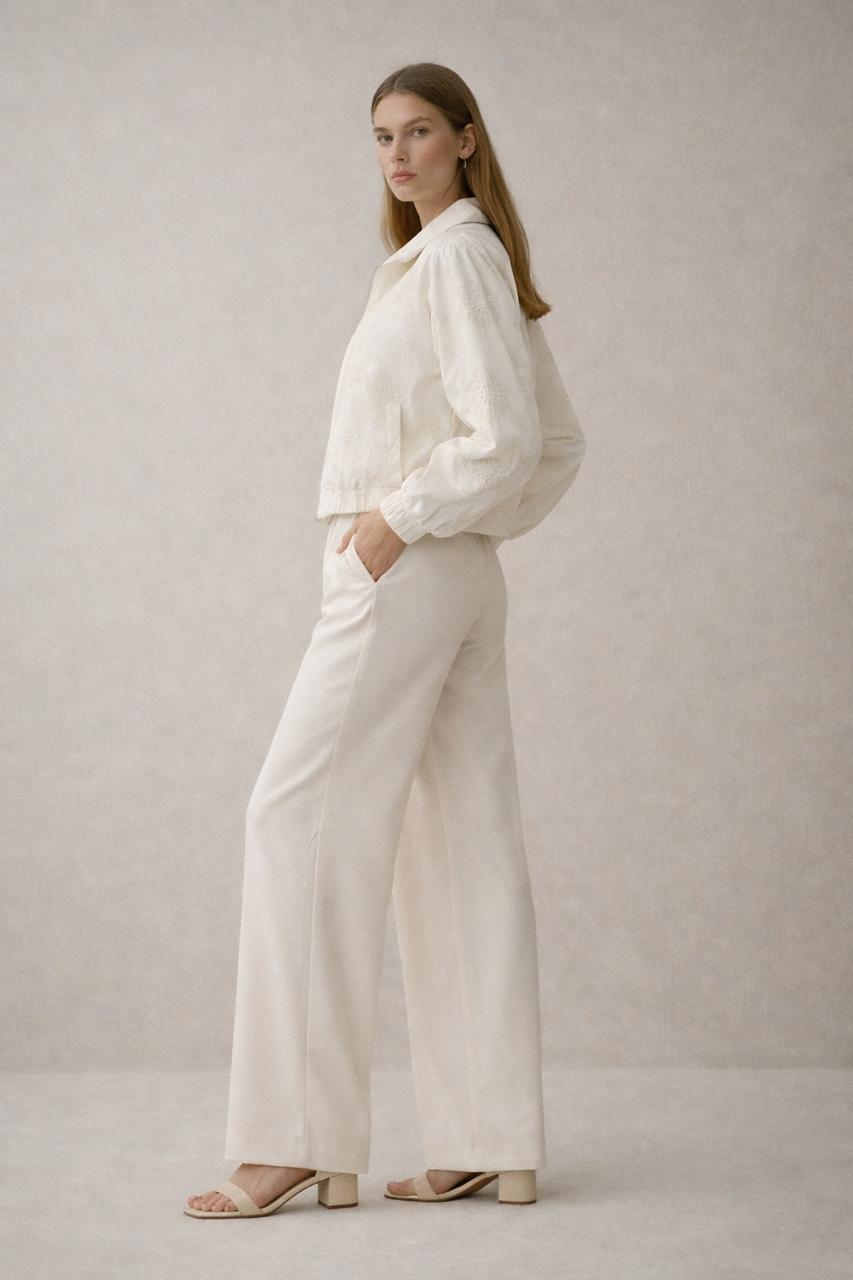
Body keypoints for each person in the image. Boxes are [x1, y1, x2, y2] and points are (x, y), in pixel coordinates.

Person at [184, 61, 585, 1219]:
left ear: (466, 138)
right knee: (457, 838)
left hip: (406, 566)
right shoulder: (458, 259)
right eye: (380, 136)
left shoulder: (454, 257)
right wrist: (465, 532)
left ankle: (294, 1138)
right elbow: (554, 440)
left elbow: (509, 438)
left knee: (294, 815)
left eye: (417, 131)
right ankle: (488, 1136)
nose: (397, 154)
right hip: (453, 572)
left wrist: (395, 525)